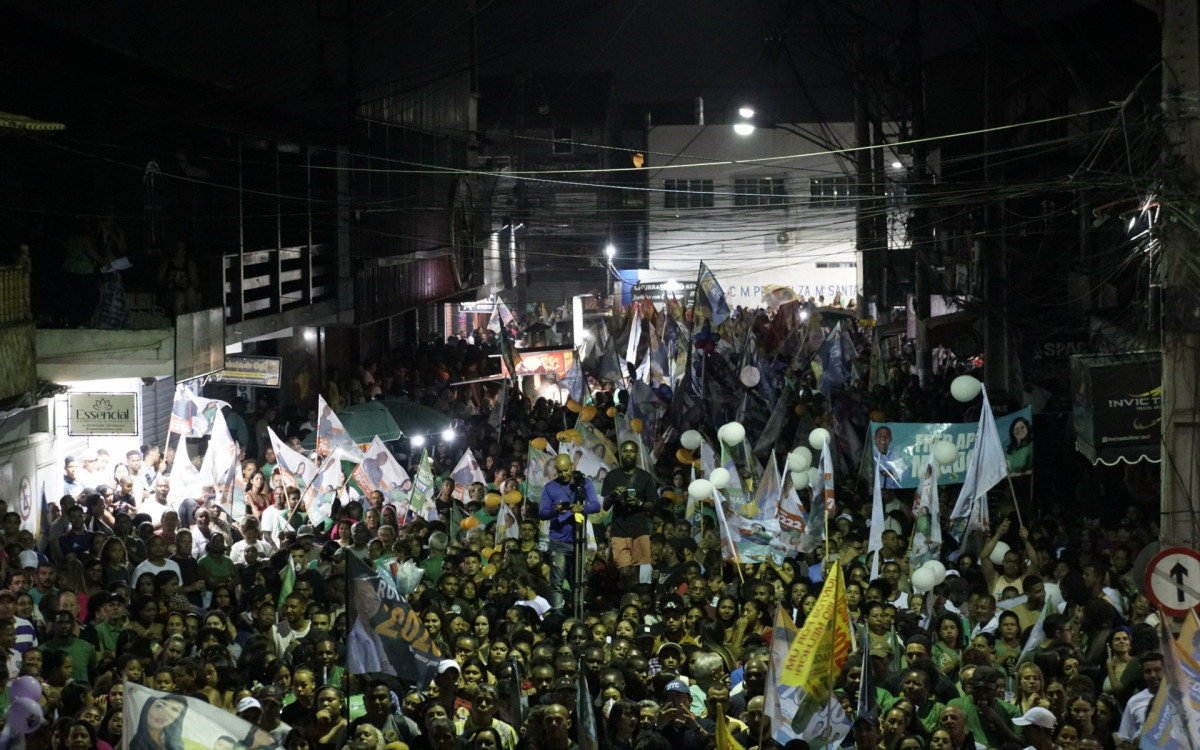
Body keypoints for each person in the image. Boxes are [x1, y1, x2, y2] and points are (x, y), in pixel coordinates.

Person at [538, 453, 600, 613]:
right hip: (558, 541)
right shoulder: (549, 488)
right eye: (560, 471)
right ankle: (558, 612)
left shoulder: (584, 483)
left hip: (579, 540)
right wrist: (556, 510)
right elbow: (542, 513)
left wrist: (582, 508)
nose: (563, 474)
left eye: (566, 470)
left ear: (572, 466)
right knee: (556, 582)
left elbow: (596, 506)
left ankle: (577, 611)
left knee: (578, 581)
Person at [601, 441, 658, 587]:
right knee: (625, 571)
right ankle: (627, 600)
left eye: (631, 451)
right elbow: (605, 506)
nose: (628, 453)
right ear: (620, 453)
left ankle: (632, 602)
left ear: (636, 454)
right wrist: (613, 495)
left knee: (635, 572)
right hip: (619, 529)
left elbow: (653, 505)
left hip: (639, 529)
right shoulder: (612, 476)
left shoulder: (644, 477)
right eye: (625, 450)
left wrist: (639, 504)